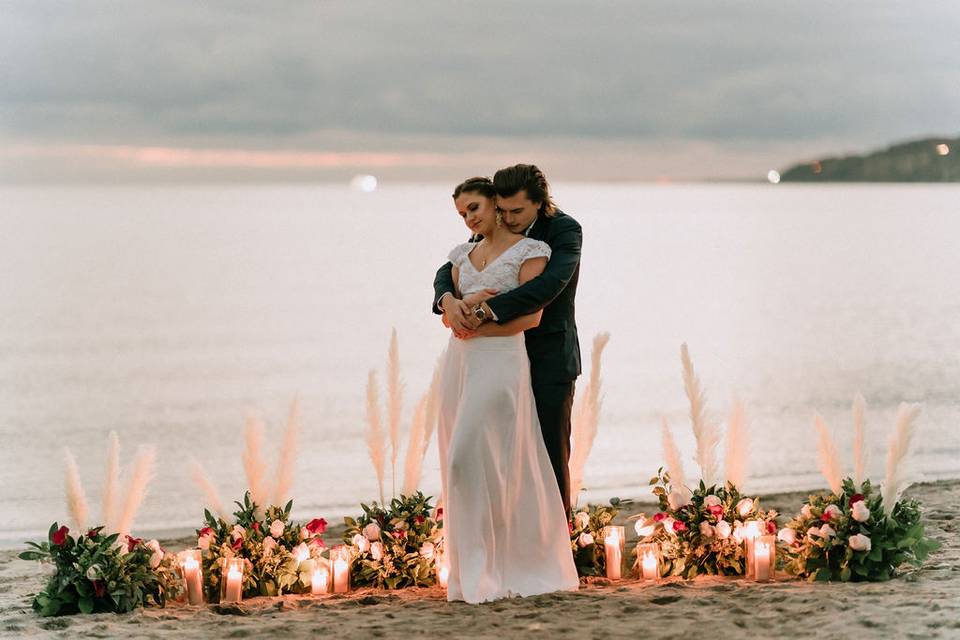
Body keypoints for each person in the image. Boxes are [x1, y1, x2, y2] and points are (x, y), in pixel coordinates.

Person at [435, 176, 579, 603]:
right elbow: (446, 280)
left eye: (516, 210)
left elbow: (540, 297)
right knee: (478, 463)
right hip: (462, 364)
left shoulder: (557, 236)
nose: (470, 219)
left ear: (537, 202)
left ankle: (536, 558)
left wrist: (480, 310)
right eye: (464, 213)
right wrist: (450, 306)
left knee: (539, 462)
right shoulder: (466, 249)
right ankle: (475, 568)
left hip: (527, 359)